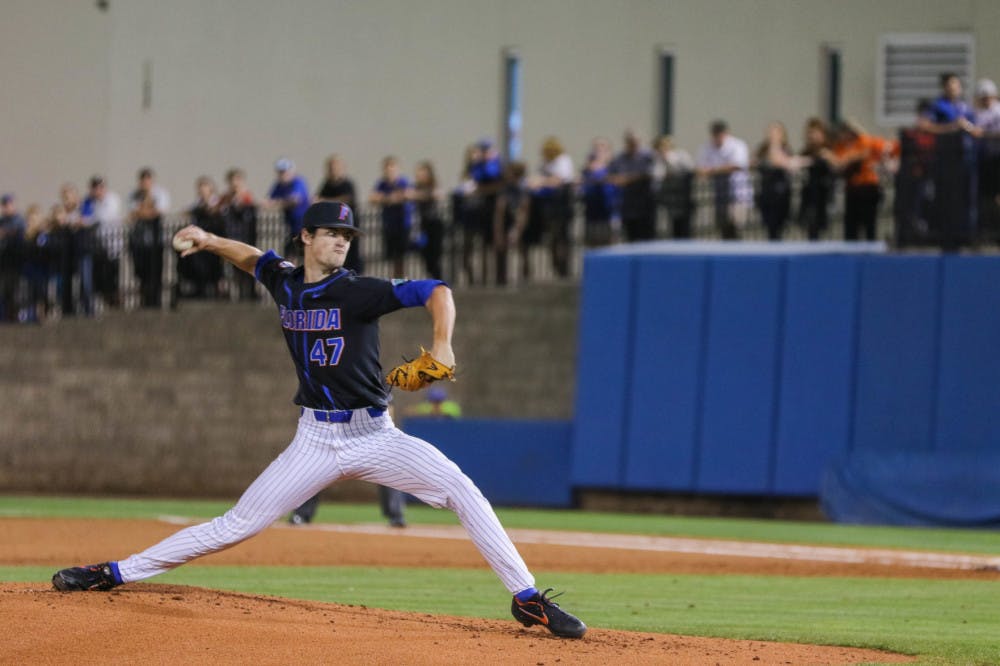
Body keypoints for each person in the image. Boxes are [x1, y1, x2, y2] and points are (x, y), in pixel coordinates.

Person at [50, 200, 586, 640]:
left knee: (462, 490)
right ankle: (113, 572)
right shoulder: (284, 281)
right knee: (236, 525)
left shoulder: (356, 290)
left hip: (375, 434)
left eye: (347, 236)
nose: (341, 242)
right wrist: (211, 240)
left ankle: (527, 599)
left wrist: (442, 343)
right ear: (305, 237)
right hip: (314, 438)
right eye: (331, 233)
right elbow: (253, 257)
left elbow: (436, 290)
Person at [829, 120, 898, 241]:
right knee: (851, 225)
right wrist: (849, 158)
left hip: (868, 187)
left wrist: (850, 157)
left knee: (869, 223)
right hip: (851, 188)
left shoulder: (862, 141)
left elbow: (866, 150)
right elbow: (839, 163)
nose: (843, 136)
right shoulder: (840, 147)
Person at [696, 120, 752, 239]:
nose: (718, 137)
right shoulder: (707, 147)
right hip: (718, 196)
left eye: (720, 133)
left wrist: (713, 170)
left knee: (737, 226)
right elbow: (701, 170)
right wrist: (717, 170)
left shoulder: (737, 145)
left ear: (726, 133)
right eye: (715, 134)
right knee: (722, 228)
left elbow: (736, 166)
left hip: (737, 194)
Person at [530, 137, 575, 278]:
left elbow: (559, 180)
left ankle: (564, 268)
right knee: (552, 238)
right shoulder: (545, 163)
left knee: (562, 237)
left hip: (561, 205)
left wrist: (542, 181)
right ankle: (556, 266)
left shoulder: (563, 160)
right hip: (547, 206)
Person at [128, 168, 170, 308]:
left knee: (156, 272)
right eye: (143, 180)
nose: (145, 183)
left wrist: (144, 209)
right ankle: (144, 301)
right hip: (139, 242)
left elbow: (158, 212)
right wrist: (146, 209)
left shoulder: (161, 194)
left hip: (155, 241)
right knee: (141, 273)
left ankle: (155, 302)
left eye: (148, 180)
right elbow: (132, 213)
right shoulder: (134, 195)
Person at [81, 176, 124, 308]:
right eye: (95, 188)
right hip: (97, 246)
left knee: (113, 274)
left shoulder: (112, 200)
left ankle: (114, 301)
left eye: (100, 187)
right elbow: (84, 216)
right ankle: (104, 300)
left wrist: (88, 221)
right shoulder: (89, 202)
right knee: (100, 276)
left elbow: (103, 217)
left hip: (112, 245)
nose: (97, 191)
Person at [316, 155, 362, 273]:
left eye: (336, 167)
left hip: (348, 226)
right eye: (331, 168)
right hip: (334, 226)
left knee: (351, 254)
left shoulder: (347, 184)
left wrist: (326, 200)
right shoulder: (327, 184)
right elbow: (317, 199)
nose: (333, 170)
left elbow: (346, 199)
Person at [368, 156, 413, 278]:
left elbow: (409, 194)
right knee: (391, 257)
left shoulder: (403, 182)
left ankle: (400, 281)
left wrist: (392, 198)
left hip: (402, 225)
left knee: (401, 258)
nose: (390, 172)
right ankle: (394, 281)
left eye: (392, 169)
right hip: (389, 225)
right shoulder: (382, 183)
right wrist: (388, 198)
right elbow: (372, 197)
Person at [608, 130, 656, 242]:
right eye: (630, 142)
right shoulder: (620, 158)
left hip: (645, 202)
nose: (633, 144)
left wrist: (628, 179)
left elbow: (650, 174)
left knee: (646, 235)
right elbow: (610, 175)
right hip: (628, 203)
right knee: (631, 235)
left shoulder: (648, 157)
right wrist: (616, 179)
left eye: (635, 142)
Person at [219, 168, 258, 301]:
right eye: (232, 180)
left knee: (247, 266)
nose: (234, 183)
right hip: (231, 237)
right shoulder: (226, 198)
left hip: (246, 237)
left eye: (237, 180)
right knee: (233, 267)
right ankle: (235, 294)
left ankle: (249, 293)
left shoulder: (246, 196)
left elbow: (248, 211)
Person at [753, 122, 794, 241]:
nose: (772, 135)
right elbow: (754, 162)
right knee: (769, 227)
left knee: (778, 227)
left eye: (775, 132)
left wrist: (775, 145)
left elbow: (780, 161)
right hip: (766, 194)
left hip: (781, 195)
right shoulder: (762, 150)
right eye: (770, 132)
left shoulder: (785, 149)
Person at [796, 118, 836, 241]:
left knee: (819, 224)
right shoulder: (806, 151)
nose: (813, 136)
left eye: (816, 133)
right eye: (810, 133)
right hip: (809, 193)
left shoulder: (828, 151)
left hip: (823, 193)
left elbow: (836, 164)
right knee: (809, 224)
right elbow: (796, 162)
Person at [493, 161, 530, 286]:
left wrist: (517, 231)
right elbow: (500, 212)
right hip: (507, 222)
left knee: (522, 252)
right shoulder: (505, 189)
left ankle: (524, 279)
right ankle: (502, 279)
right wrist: (499, 232)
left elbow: (523, 211)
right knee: (501, 251)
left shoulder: (522, 189)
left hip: (518, 223)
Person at [651, 135, 695, 239]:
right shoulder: (657, 160)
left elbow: (690, 169)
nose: (662, 150)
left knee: (684, 227)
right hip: (669, 200)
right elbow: (657, 176)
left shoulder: (681, 155)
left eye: (664, 146)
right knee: (671, 227)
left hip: (683, 198)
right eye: (659, 147)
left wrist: (669, 161)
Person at [267, 158, 310, 260]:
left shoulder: (298, 182)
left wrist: (279, 203)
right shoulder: (279, 185)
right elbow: (268, 201)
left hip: (303, 224)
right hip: (292, 226)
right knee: (290, 252)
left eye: (284, 172)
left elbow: (295, 200)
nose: (282, 175)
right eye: (280, 172)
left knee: (300, 251)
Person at [410, 160, 445, 280]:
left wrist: (417, 195)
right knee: (426, 258)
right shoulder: (416, 187)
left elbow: (437, 194)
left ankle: (439, 282)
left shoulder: (433, 186)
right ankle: (434, 280)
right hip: (422, 225)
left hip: (434, 224)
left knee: (435, 257)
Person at [580, 138, 617, 247]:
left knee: (607, 243)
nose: (598, 151)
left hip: (608, 212)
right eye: (596, 148)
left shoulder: (612, 166)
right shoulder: (588, 168)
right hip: (591, 212)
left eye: (602, 148)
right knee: (592, 242)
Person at [0, 194, 26, 322]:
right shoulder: (2, 221)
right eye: (4, 204)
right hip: (3, 263)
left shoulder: (19, 220)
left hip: (16, 262)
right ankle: (6, 317)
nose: (6, 207)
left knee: (16, 291)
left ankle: (16, 317)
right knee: (5, 291)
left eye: (8, 204)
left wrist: (6, 233)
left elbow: (19, 232)